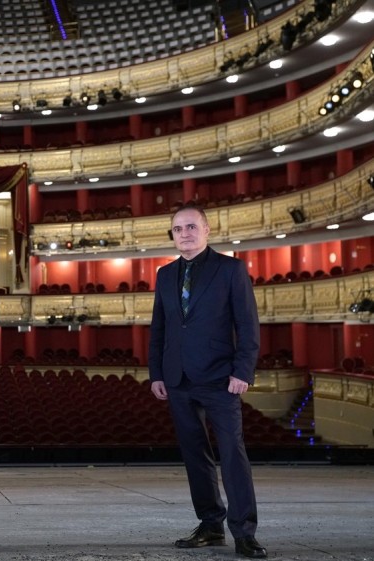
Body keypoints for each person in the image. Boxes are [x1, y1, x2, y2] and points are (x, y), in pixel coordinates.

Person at [148, 203, 267, 559]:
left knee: (232, 454)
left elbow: (247, 324)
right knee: (195, 456)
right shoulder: (165, 275)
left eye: (190, 227)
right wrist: (156, 372)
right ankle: (211, 525)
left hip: (220, 378)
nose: (184, 233)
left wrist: (243, 371)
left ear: (206, 230)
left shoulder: (231, 269)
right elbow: (160, 328)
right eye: (178, 228)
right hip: (178, 378)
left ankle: (244, 531)